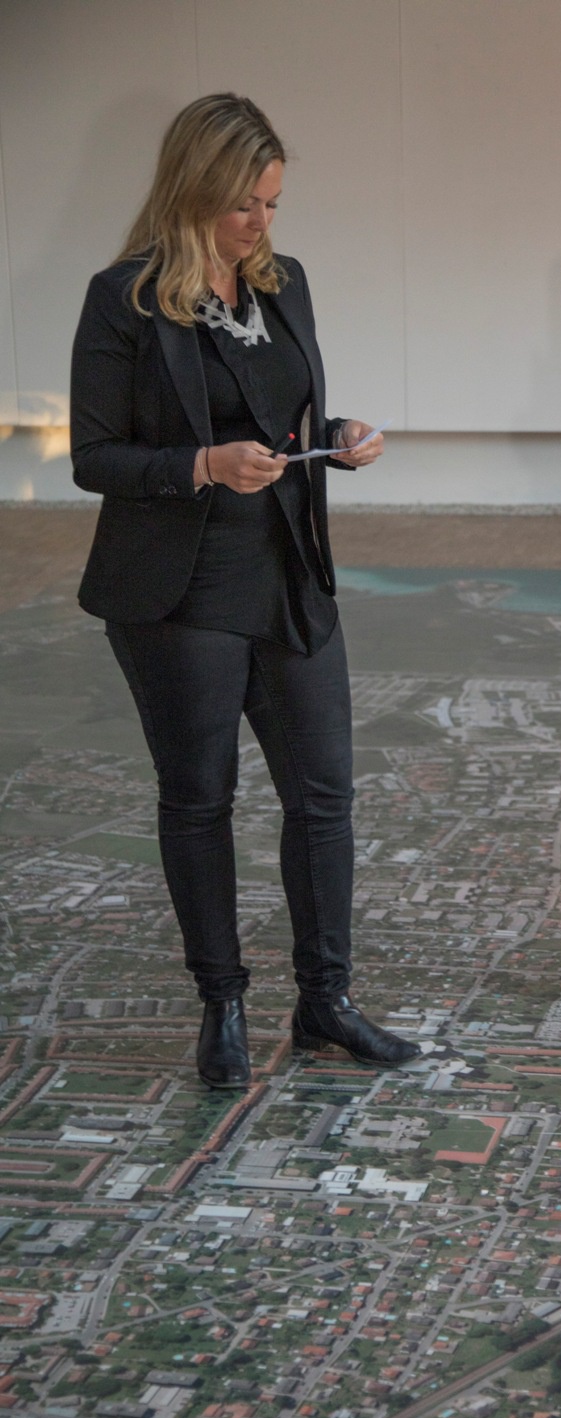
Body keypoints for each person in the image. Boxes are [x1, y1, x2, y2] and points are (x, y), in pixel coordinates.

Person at [71, 94, 420, 1085]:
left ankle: (325, 1003)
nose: (262, 223)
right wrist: (201, 465)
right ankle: (221, 1003)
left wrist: (337, 439)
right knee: (200, 798)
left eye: (272, 203)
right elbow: (95, 457)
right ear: (192, 192)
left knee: (324, 795)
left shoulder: (282, 283)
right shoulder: (124, 298)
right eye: (243, 205)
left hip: (287, 571)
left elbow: (286, 413)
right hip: (180, 590)